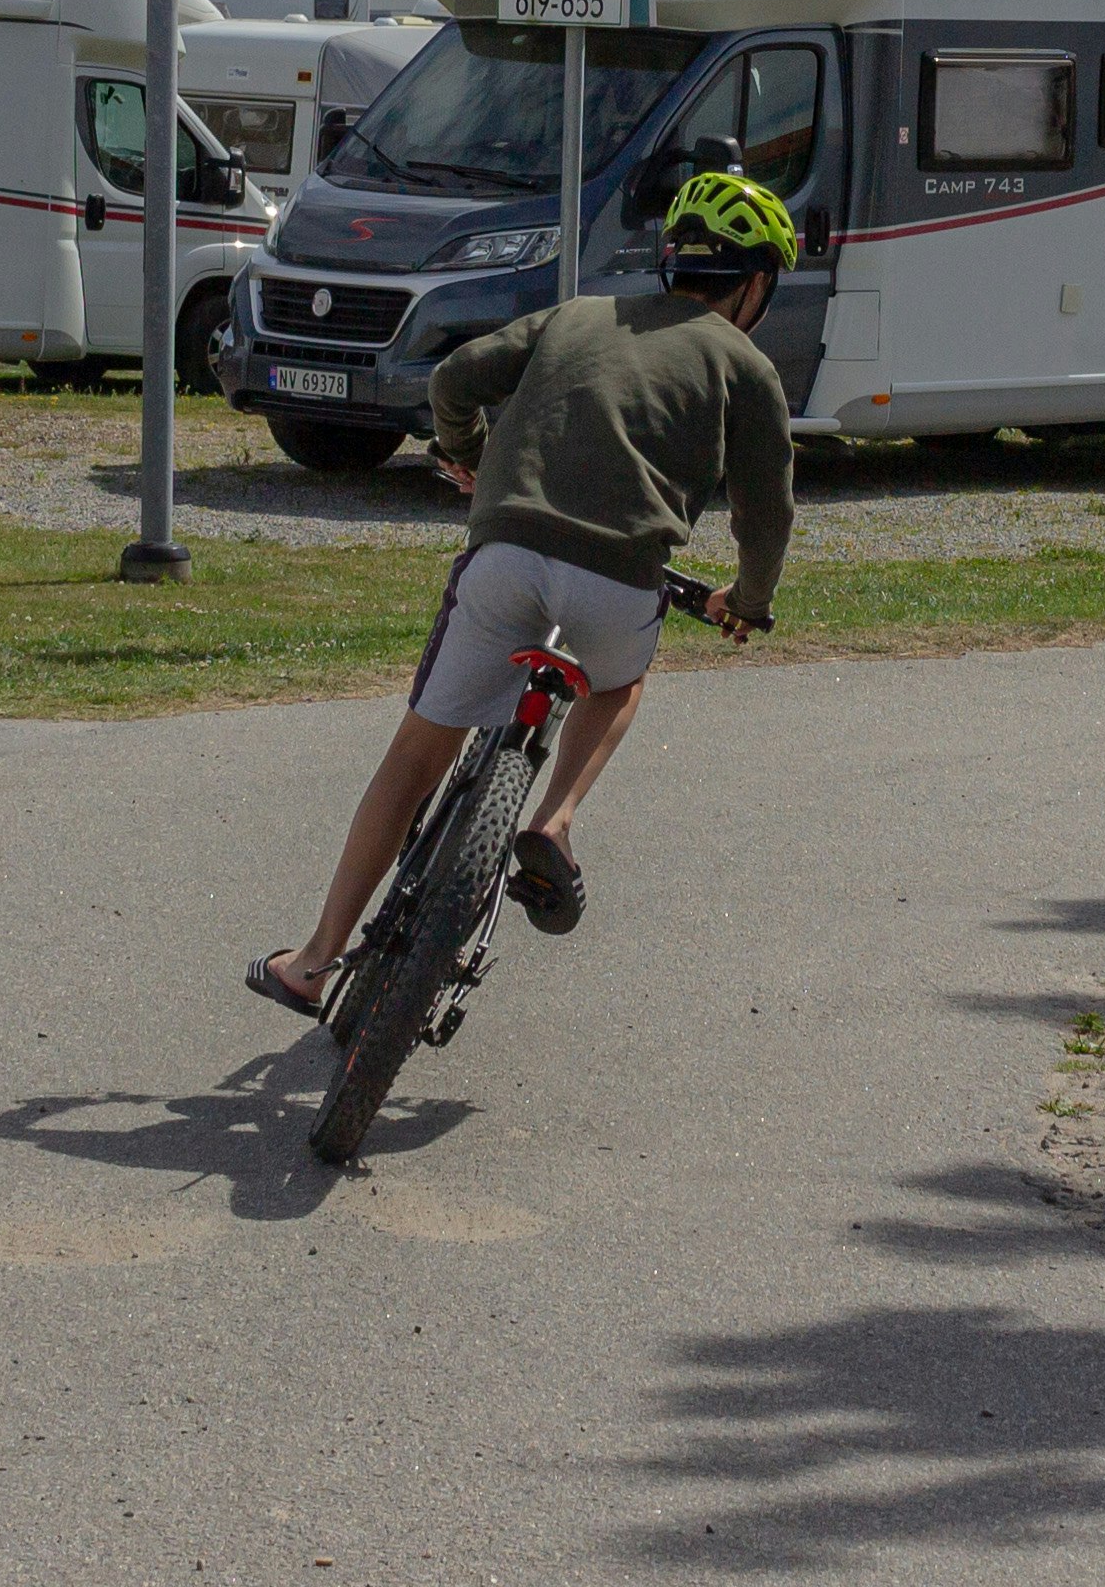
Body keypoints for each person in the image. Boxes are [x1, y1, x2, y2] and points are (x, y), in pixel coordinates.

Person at [249, 168, 802, 1017]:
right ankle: (554, 821)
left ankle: (315, 959)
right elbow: (767, 513)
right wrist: (750, 600)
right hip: (622, 578)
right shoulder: (746, 365)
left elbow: (454, 380)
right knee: (616, 679)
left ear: (670, 261)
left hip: (506, 554)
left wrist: (463, 454)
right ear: (757, 281)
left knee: (417, 754)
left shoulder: (578, 316)